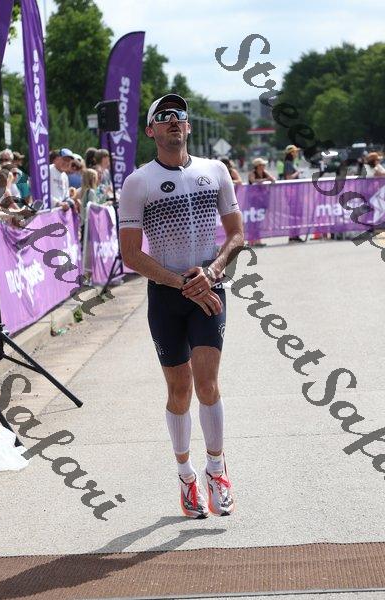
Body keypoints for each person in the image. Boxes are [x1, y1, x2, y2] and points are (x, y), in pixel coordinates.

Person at [119, 93, 244, 519]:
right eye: (164, 116)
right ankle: (186, 476)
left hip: (209, 288)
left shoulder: (215, 171)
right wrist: (180, 282)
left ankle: (217, 471)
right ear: (151, 130)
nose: (174, 120)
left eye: (180, 116)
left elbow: (237, 235)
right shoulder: (139, 182)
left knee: (208, 385)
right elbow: (130, 254)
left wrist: (213, 270)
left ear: (188, 127)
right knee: (179, 390)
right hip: (167, 295)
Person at [247, 158, 275, 247]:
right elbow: (253, 180)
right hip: (254, 201)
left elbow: (273, 179)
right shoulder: (252, 173)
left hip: (262, 200)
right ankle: (252, 240)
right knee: (253, 222)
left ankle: (257, 240)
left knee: (258, 222)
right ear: (258, 166)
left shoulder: (264, 172)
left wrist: (268, 179)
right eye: (262, 164)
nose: (264, 166)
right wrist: (265, 180)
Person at [284, 145, 303, 243]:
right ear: (291, 153)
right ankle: (293, 235)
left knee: (297, 213)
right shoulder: (288, 163)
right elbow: (288, 177)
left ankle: (295, 234)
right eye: (295, 152)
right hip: (292, 192)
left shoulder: (291, 163)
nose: (297, 153)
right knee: (295, 213)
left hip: (294, 191)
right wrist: (298, 172)